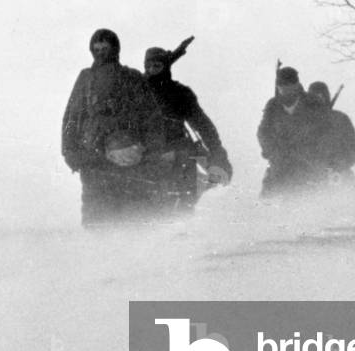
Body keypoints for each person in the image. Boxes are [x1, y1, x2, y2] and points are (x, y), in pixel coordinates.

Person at [61, 29, 167, 226]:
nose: (101, 52)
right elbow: (71, 118)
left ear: (115, 49)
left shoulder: (133, 77)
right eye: (96, 48)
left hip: (133, 160)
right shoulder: (86, 78)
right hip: (95, 160)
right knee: (97, 220)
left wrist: (151, 153)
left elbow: (152, 118)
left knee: (135, 218)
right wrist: (71, 153)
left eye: (105, 48)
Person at [143, 41, 232, 212]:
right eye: (149, 66)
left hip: (180, 154)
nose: (153, 70)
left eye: (157, 65)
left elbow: (202, 125)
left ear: (165, 67)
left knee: (186, 203)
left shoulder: (180, 93)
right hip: (150, 157)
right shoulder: (137, 92)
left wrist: (217, 152)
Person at [257, 66, 320, 197]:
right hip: (280, 165)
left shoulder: (313, 103)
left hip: (308, 166)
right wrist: (271, 151)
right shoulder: (273, 105)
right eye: (281, 86)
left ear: (296, 85)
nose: (284, 90)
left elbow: (324, 132)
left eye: (288, 86)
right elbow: (263, 132)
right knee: (269, 203)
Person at [303, 81, 355, 185]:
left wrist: (338, 165)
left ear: (327, 97)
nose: (318, 100)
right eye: (314, 97)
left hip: (339, 176)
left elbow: (353, 148)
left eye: (321, 96)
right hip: (310, 177)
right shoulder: (301, 122)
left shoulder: (341, 119)